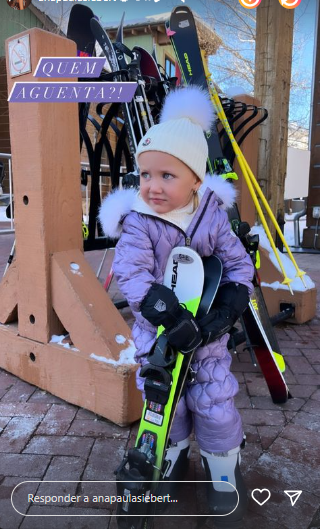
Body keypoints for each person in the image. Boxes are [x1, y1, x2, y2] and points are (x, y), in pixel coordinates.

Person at [99, 86, 254, 527]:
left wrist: (223, 314)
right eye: (145, 175)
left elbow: (238, 267)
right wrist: (167, 315)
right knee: (165, 406)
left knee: (215, 401)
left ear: (196, 180)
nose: (152, 186)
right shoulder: (138, 222)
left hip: (206, 341)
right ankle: (169, 459)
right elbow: (131, 274)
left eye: (166, 175)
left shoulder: (213, 216)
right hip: (159, 339)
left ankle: (223, 471)